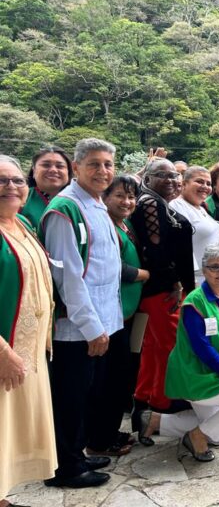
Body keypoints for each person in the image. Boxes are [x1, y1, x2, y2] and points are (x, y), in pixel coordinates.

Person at [40, 139, 123, 488]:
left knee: (87, 394)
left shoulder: (96, 205)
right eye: (94, 164)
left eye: (107, 164)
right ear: (76, 168)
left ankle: (78, 454)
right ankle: (67, 467)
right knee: (70, 398)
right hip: (75, 328)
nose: (102, 171)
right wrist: (92, 328)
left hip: (103, 319)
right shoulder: (65, 210)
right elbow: (69, 278)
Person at [138, 243, 219, 462]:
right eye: (214, 267)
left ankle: (157, 421)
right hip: (197, 375)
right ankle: (196, 436)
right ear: (204, 270)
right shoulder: (194, 302)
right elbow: (202, 348)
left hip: (218, 373)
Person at [0, 155, 58, 503]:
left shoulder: (21, 223)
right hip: (6, 350)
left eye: (16, 180)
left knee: (11, 429)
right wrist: (3, 351)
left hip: (30, 348)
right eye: (1, 181)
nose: (10, 187)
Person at [129, 159, 195, 423]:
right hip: (161, 289)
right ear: (147, 177)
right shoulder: (150, 202)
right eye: (162, 175)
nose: (170, 180)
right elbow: (154, 249)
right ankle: (166, 399)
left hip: (162, 287)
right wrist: (175, 282)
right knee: (170, 343)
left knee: (155, 347)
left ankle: (148, 398)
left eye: (173, 176)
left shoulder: (157, 202)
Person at [104, 175, 148, 434]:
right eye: (120, 195)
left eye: (131, 196)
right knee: (112, 375)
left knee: (123, 372)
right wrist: (144, 274)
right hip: (114, 312)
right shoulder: (106, 225)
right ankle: (103, 437)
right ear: (105, 197)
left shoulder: (125, 224)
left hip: (129, 311)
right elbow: (110, 267)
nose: (127, 201)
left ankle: (111, 431)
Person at [170, 166, 219, 286]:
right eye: (199, 181)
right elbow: (178, 246)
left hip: (212, 277)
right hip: (194, 280)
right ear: (184, 184)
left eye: (208, 183)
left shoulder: (201, 209)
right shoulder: (176, 207)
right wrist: (188, 282)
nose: (205, 186)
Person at [21, 146, 72, 227]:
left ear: (68, 172)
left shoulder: (79, 199)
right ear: (34, 171)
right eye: (46, 165)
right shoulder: (21, 197)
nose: (53, 170)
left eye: (60, 166)